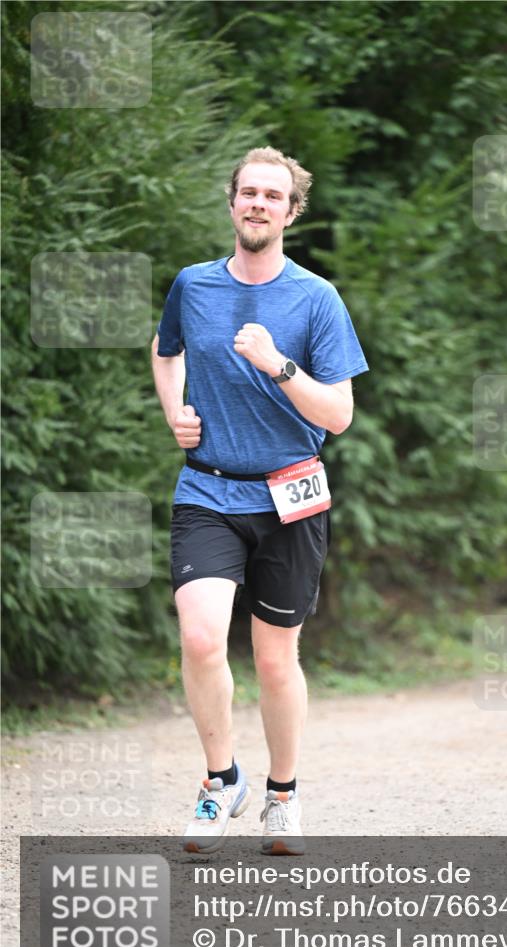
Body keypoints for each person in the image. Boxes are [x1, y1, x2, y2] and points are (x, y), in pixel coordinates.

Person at [151, 146, 368, 855]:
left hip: (291, 494)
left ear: (291, 212)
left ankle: (283, 796)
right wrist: (173, 410)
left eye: (272, 197)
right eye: (248, 193)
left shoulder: (315, 298)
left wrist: (278, 364)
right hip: (208, 487)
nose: (257, 205)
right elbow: (165, 349)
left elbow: (337, 414)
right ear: (231, 201)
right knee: (200, 635)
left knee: (276, 660)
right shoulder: (193, 284)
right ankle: (220, 782)